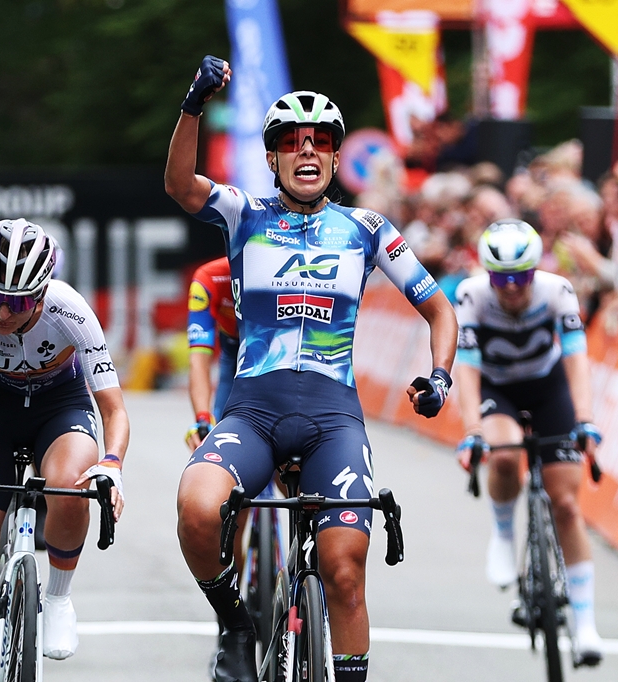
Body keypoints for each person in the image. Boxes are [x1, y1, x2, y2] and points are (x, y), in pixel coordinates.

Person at [164, 56, 458, 682]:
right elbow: (181, 185)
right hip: (254, 415)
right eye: (292, 141)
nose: (306, 150)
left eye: (320, 141)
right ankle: (236, 625)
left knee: (344, 572)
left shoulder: (366, 228)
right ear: (272, 158)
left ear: (334, 156)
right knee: (197, 506)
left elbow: (440, 311)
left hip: (332, 422)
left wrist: (441, 377)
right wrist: (193, 105)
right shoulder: (244, 214)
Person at [0, 219, 130, 680]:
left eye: (19, 302)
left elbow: (114, 409)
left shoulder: (71, 310)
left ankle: (58, 596)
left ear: (42, 293)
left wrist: (112, 464)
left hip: (59, 407)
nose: (3, 314)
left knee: (72, 483)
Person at [453, 220, 604, 666]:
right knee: (503, 456)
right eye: (502, 278)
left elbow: (576, 359)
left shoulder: (558, 291)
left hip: (548, 387)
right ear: (488, 274)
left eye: (522, 276)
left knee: (567, 504)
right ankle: (503, 534)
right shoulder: (472, 295)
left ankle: (586, 624)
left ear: (536, 270)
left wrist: (586, 420)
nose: (513, 288)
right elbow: (467, 369)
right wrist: (472, 431)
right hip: (497, 389)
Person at [185, 256, 238, 450]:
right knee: (217, 437)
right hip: (232, 350)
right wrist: (202, 420)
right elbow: (198, 359)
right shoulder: (209, 277)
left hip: (272, 354)